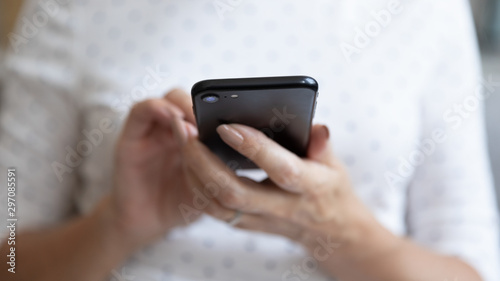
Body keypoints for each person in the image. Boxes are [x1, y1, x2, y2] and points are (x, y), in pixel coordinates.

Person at [1, 0, 499, 280]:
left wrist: (338, 231)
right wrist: (118, 224)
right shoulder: (69, 10)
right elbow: (9, 260)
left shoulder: (424, 11)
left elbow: (473, 270)